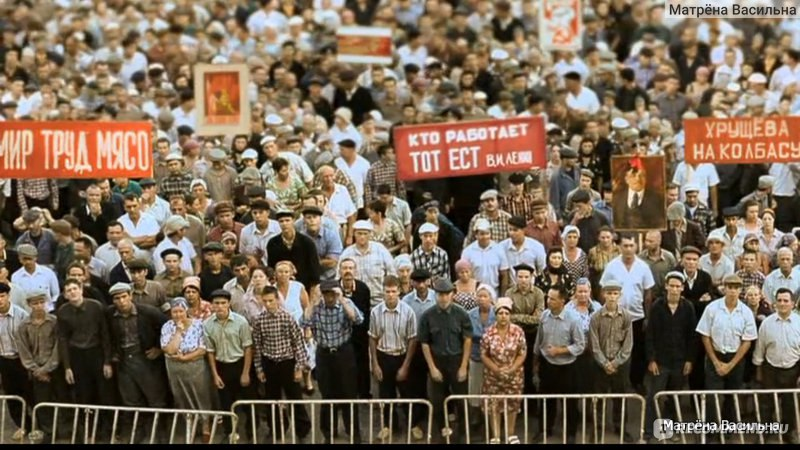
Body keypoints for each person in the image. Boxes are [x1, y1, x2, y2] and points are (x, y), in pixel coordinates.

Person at [106, 283, 169, 442]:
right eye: (117, 298)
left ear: (130, 296)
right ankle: (137, 431)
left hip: (145, 358)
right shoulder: (109, 314)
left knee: (155, 397)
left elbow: (167, 326)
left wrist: (159, 348)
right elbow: (106, 335)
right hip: (124, 360)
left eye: (124, 297)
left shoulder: (148, 312)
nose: (121, 301)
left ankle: (160, 432)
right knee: (130, 399)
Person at [303, 280, 364, 444]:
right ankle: (328, 433)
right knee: (327, 395)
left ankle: (354, 432)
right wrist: (313, 303)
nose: (329, 297)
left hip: (344, 352)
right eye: (326, 293)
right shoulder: (317, 307)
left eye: (332, 293)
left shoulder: (345, 303)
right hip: (324, 354)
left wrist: (342, 300)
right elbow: (304, 322)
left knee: (349, 393)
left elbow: (358, 319)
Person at [695, 274, 757, 437]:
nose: (732, 291)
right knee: (712, 396)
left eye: (736, 288)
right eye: (729, 287)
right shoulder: (712, 308)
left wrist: (731, 364)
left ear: (740, 290)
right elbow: (705, 335)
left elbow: (747, 341)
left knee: (732, 396)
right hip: (715, 355)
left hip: (735, 357)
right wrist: (715, 361)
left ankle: (728, 430)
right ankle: (711, 432)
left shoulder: (746, 312)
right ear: (724, 288)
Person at [56, 278, 116, 439]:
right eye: (68, 290)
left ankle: (108, 431)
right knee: (84, 395)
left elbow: (105, 335)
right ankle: (90, 430)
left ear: (81, 289)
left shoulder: (96, 307)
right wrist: (67, 367)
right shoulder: (62, 312)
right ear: (65, 294)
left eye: (75, 288)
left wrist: (107, 362)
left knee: (105, 394)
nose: (72, 292)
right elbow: (63, 340)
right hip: (77, 356)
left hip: (97, 353)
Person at [252, 285, 311, 439]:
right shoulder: (259, 320)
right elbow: (257, 346)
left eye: (271, 300)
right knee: (272, 398)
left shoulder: (287, 317)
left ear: (277, 300)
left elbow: (298, 343)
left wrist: (299, 367)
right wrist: (259, 369)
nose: (268, 304)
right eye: (265, 301)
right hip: (269, 362)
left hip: (287, 362)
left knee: (295, 396)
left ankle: (302, 429)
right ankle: (277, 428)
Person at [417, 278, 472, 444]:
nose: (443, 298)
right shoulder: (428, 316)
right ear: (436, 295)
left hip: (456, 359)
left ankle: (463, 433)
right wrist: (432, 367)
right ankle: (442, 431)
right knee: (438, 400)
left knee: (461, 399)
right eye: (440, 294)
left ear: (452, 294)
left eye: (447, 294)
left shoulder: (461, 314)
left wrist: (463, 366)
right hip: (437, 359)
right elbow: (424, 343)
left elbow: (467, 340)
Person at [643, 271, 697, 442]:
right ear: (666, 286)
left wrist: (689, 360)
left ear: (682, 288)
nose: (674, 289)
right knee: (653, 397)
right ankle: (649, 432)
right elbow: (650, 335)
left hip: (680, 362)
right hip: (660, 361)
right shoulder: (657, 306)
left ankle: (666, 431)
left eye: (677, 286)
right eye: (671, 286)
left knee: (673, 398)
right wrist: (651, 359)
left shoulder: (688, 307)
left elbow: (692, 336)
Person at [368, 275, 420, 440]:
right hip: (384, 356)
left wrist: (405, 365)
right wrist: (374, 363)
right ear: (383, 292)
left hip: (402, 355)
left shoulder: (408, 312)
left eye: (393, 291)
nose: (390, 295)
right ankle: (388, 425)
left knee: (407, 394)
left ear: (399, 292)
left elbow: (412, 339)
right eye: (387, 291)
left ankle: (413, 424)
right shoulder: (376, 312)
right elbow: (372, 337)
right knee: (385, 394)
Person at [533, 285, 584, 443]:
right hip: (548, 365)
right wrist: (535, 362)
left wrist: (560, 350)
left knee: (570, 403)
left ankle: (570, 434)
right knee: (547, 400)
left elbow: (580, 345)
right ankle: (544, 430)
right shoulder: (544, 316)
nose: (548, 301)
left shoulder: (574, 319)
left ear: (563, 301)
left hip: (568, 367)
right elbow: (539, 340)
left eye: (552, 299)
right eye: (548, 297)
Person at [160, 297, 215, 442]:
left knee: (200, 395)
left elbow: (203, 348)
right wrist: (178, 332)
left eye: (180, 311)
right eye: (174, 312)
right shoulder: (167, 326)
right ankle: (190, 425)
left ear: (186, 311)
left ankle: (205, 426)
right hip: (174, 368)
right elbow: (169, 349)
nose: (178, 315)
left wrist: (186, 357)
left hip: (195, 367)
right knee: (181, 397)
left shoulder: (198, 325)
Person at [203, 289, 254, 441]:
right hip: (222, 366)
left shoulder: (240, 321)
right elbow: (210, 351)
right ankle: (230, 433)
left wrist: (245, 372)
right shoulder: (207, 324)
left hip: (240, 364)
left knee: (248, 402)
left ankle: (252, 432)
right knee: (225, 403)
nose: (220, 306)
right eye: (216, 303)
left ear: (229, 304)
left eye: (223, 303)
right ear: (212, 305)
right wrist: (215, 375)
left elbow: (247, 347)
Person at [751, 288, 800, 445]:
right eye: (779, 300)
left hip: (793, 369)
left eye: (786, 301)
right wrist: (758, 370)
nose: (782, 303)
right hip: (770, 369)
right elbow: (760, 348)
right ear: (775, 303)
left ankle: (789, 433)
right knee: (766, 404)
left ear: (792, 304)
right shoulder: (767, 323)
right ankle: (764, 433)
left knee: (790, 404)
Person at [589, 280, 635, 443]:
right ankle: (597, 428)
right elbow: (594, 344)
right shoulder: (595, 317)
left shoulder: (626, 316)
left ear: (619, 295)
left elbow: (628, 344)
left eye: (615, 293)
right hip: (600, 364)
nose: (612, 297)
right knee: (598, 398)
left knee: (620, 397)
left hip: (620, 364)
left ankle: (620, 426)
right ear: (603, 295)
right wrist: (604, 363)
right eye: (609, 293)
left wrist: (615, 363)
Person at [15, 289, 61, 442]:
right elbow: (24, 351)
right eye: (35, 303)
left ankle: (64, 430)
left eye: (42, 302)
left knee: (61, 399)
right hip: (36, 372)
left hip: (55, 368)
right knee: (42, 403)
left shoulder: (54, 321)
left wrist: (47, 368)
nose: (39, 306)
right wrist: (36, 370)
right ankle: (48, 432)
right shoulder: (24, 326)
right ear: (29, 305)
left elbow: (58, 346)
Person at [480, 297, 527, 445]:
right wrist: (497, 370)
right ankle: (496, 436)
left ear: (510, 315)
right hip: (493, 376)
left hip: (514, 375)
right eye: (500, 313)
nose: (503, 316)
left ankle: (510, 434)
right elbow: (483, 354)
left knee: (512, 405)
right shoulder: (488, 332)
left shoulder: (518, 331)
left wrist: (512, 368)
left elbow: (522, 352)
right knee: (494, 405)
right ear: (496, 314)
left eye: (506, 313)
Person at [0, 282, 31, 441]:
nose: (0, 300)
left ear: (8, 296)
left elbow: (29, 338)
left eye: (2, 296)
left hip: (21, 360)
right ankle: (22, 426)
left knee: (28, 393)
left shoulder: (21, 315)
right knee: (11, 396)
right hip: (4, 361)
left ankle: (36, 426)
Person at [612, 157, 666, 230]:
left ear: (646, 178)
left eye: (642, 175)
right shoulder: (616, 199)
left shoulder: (658, 199)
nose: (638, 179)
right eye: (633, 175)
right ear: (626, 179)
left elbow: (660, 225)